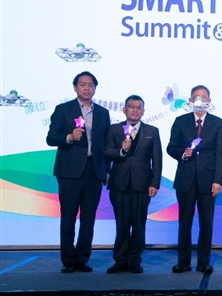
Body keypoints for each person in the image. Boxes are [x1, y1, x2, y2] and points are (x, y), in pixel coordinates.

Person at [46, 71, 111, 273]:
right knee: (68, 218)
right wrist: (69, 137)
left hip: (94, 171)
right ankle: (68, 260)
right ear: (75, 87)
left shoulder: (102, 113)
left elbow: (106, 144)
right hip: (69, 172)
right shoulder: (63, 110)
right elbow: (51, 138)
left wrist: (106, 170)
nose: (86, 88)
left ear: (95, 88)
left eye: (90, 85)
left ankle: (82, 259)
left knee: (88, 218)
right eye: (82, 84)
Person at [167, 85, 222, 274]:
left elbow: (221, 154)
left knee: (206, 223)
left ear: (209, 101)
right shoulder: (181, 121)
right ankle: (183, 262)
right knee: (184, 222)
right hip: (185, 180)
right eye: (196, 97)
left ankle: (203, 262)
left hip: (208, 181)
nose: (200, 100)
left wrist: (218, 180)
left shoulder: (217, 123)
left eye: (203, 97)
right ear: (191, 101)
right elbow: (171, 147)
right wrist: (182, 154)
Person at [104, 95, 162, 274]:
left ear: (143, 111)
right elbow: (107, 153)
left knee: (138, 225)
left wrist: (155, 183)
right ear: (124, 109)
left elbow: (157, 159)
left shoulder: (152, 131)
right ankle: (120, 261)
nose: (135, 110)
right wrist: (121, 150)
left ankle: (135, 260)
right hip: (119, 184)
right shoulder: (114, 129)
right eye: (131, 107)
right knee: (122, 225)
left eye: (139, 107)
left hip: (142, 185)